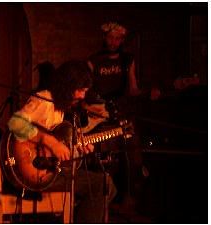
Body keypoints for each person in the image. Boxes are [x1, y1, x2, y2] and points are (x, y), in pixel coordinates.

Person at [7, 60, 117, 223]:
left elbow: (60, 150)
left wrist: (78, 150)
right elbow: (15, 123)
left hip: (51, 170)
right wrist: (50, 141)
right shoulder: (44, 100)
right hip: (31, 170)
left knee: (105, 184)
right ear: (67, 85)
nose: (82, 96)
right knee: (102, 184)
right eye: (80, 90)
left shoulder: (60, 109)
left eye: (84, 91)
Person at [84, 22, 152, 212]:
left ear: (122, 40)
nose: (113, 42)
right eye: (110, 37)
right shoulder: (93, 61)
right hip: (101, 118)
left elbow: (133, 89)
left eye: (117, 38)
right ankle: (101, 200)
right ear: (104, 38)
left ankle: (128, 200)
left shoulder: (127, 60)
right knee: (102, 159)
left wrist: (148, 93)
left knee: (133, 158)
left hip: (123, 114)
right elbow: (86, 92)